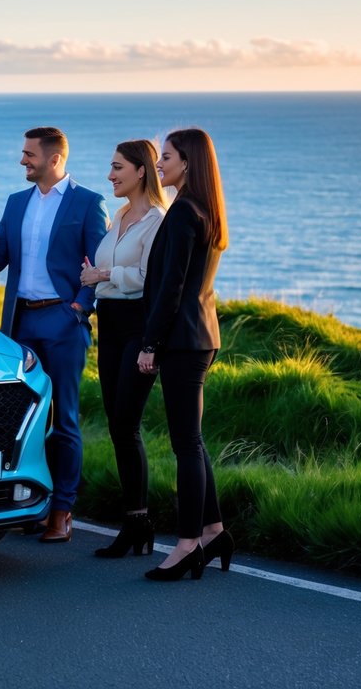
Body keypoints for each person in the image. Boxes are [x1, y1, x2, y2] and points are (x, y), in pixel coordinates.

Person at [0, 127, 108, 543]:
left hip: (63, 323)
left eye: (29, 154)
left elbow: (98, 262)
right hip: (21, 326)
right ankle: (32, 501)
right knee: (25, 420)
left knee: (65, 419)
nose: (22, 161)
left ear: (53, 159)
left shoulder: (88, 203)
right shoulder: (17, 203)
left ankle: (62, 511)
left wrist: (79, 308)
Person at [136, 127, 233, 581]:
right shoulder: (207, 211)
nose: (160, 163)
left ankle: (188, 543)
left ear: (188, 162)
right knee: (192, 441)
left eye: (167, 156)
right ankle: (214, 532)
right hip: (202, 336)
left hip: (181, 340)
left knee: (186, 445)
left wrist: (149, 343)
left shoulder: (181, 214)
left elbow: (171, 289)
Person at [79, 140, 167, 558]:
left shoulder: (156, 221)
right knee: (116, 425)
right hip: (109, 326)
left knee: (126, 426)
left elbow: (150, 279)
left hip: (137, 328)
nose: (110, 175)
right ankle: (134, 521)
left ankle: (139, 522)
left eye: (117, 168)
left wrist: (105, 273)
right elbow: (113, 276)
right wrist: (99, 276)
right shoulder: (119, 216)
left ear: (140, 171)